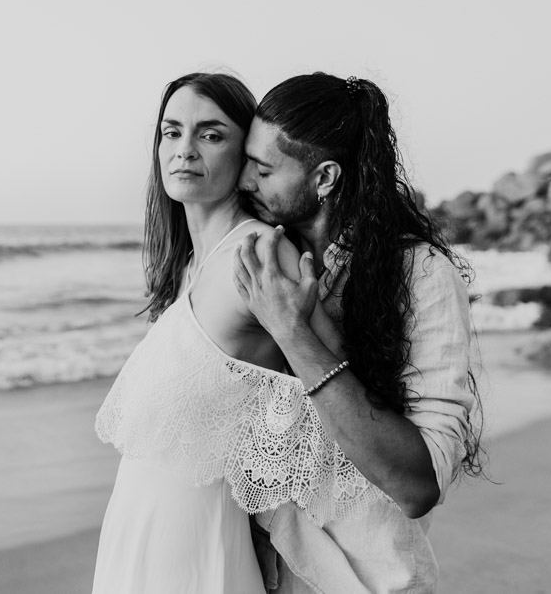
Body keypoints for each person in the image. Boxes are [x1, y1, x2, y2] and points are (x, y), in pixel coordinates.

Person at [92, 72, 395, 593]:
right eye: (171, 132)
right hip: (138, 538)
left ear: (246, 154)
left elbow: (350, 393)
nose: (184, 150)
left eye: (210, 134)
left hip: (197, 556)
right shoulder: (191, 267)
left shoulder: (259, 254)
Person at [233, 72, 483, 593]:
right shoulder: (263, 267)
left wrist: (293, 331)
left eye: (263, 169)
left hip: (371, 582)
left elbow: (418, 486)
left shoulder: (422, 274)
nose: (245, 182)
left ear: (324, 178)